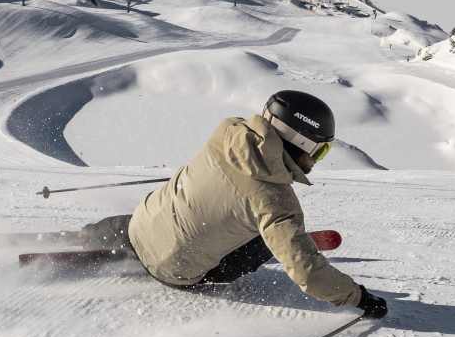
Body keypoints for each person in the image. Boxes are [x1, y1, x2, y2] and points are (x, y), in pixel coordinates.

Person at [81, 90, 386, 318]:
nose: (316, 161)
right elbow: (308, 274)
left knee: (159, 211)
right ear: (300, 142)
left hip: (140, 226)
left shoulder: (228, 130)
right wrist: (359, 298)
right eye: (319, 152)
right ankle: (276, 242)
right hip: (176, 270)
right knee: (266, 236)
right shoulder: (277, 202)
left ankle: (87, 235)